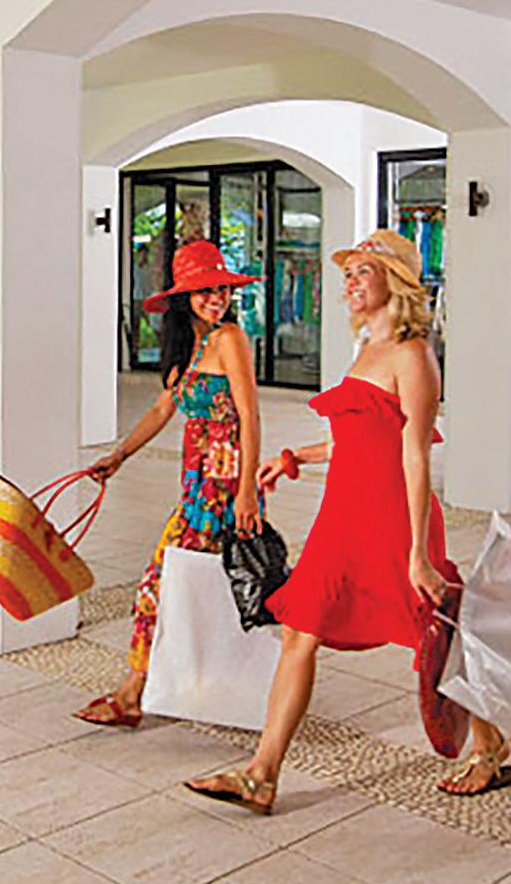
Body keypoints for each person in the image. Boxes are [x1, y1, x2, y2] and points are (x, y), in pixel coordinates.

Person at [187, 229, 507, 814]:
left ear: (396, 281)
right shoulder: (367, 349)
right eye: (348, 274)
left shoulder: (413, 355)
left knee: (433, 638)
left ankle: (489, 747)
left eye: (363, 271)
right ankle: (261, 775)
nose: (350, 283)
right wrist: (293, 459)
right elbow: (358, 437)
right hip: (341, 519)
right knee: (299, 630)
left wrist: (418, 553)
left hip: (392, 522)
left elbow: (414, 455)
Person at [75, 240, 264, 727]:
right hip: (197, 488)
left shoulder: (229, 339)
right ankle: (200, 687)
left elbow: (249, 416)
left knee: (161, 585)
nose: (217, 298)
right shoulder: (189, 349)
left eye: (222, 290)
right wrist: (119, 456)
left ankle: (133, 692)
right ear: (184, 298)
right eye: (205, 291)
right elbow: (162, 409)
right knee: (200, 589)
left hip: (225, 486)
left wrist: (247, 490)